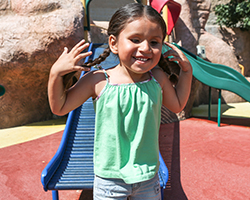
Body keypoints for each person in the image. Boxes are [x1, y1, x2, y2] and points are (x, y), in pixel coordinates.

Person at [48, 3, 192, 200]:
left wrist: (186, 72)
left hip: (147, 176)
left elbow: (177, 105)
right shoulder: (97, 80)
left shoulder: (157, 78)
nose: (145, 48)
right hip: (110, 179)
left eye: (154, 42)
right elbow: (59, 107)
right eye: (135, 39)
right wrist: (55, 74)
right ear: (114, 43)